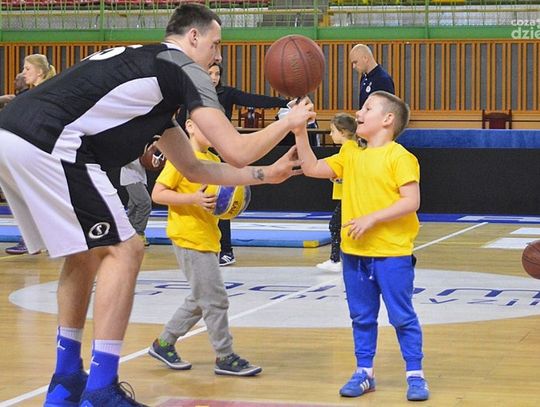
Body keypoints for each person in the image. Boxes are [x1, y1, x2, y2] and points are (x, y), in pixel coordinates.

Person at [0, 4, 315, 406]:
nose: (218, 56)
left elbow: (195, 168)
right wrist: (287, 121)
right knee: (126, 249)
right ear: (193, 36)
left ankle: (66, 381)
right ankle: (101, 389)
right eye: (216, 44)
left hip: (15, 132)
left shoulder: (151, 77)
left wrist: (266, 174)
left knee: (85, 254)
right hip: (51, 140)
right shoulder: (182, 66)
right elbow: (235, 150)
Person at [293, 91, 429, 401]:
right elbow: (312, 168)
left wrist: (372, 218)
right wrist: (299, 131)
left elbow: (411, 201)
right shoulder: (351, 152)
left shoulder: (400, 157)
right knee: (361, 317)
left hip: (391, 252)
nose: (359, 112)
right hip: (354, 253)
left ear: (388, 119)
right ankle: (364, 372)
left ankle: (415, 375)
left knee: (402, 317)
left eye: (367, 108)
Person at [148, 117, 262, 376]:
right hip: (189, 237)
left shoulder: (213, 160)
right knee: (216, 300)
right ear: (189, 126)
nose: (214, 133)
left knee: (201, 297)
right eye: (208, 127)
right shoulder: (182, 159)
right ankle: (225, 355)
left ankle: (164, 343)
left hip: (208, 237)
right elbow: (158, 193)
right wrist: (193, 198)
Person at [208, 62, 289, 267]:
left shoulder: (226, 94)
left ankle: (226, 250)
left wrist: (283, 102)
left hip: (220, 152)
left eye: (217, 73)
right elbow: (181, 119)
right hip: (198, 153)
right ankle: (208, 247)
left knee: (221, 201)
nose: (214, 77)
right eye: (210, 73)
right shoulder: (193, 93)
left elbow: (253, 100)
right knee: (202, 202)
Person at [5, 55, 56, 255]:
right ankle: (38, 240)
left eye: (27, 69)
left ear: (40, 71)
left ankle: (38, 240)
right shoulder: (32, 94)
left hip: (43, 152)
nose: (23, 73)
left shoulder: (47, 93)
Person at [315, 113, 357, 273]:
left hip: (349, 197)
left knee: (335, 225)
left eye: (333, 131)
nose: (330, 134)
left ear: (343, 132)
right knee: (339, 225)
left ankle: (336, 259)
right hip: (347, 196)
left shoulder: (349, 150)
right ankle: (339, 259)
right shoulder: (349, 149)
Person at [349, 44, 395, 110]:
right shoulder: (364, 77)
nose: (354, 66)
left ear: (365, 58)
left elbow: (388, 108)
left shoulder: (383, 79)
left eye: (355, 62)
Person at [120, 158, 152, 247]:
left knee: (134, 207)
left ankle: (128, 235)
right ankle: (138, 234)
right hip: (131, 178)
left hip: (139, 177)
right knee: (145, 203)